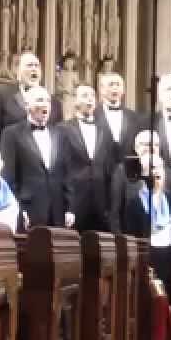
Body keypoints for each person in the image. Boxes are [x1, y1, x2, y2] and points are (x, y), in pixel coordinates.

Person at [0, 85, 73, 229]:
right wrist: (18, 209)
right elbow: (8, 177)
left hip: (58, 211)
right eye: (40, 100)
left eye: (48, 101)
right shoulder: (11, 134)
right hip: (28, 210)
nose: (45, 104)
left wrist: (70, 208)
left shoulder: (61, 134)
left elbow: (68, 174)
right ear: (27, 105)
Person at [122, 161, 171, 306]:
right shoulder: (135, 203)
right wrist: (140, 265)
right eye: (151, 171)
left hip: (169, 262)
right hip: (147, 261)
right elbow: (131, 238)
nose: (155, 177)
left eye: (158, 173)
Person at [57, 85, 115, 232]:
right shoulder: (62, 129)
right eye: (84, 95)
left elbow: (109, 167)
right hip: (75, 198)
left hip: (100, 200)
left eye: (92, 96)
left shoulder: (105, 131)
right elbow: (61, 167)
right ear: (74, 100)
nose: (89, 99)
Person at [0, 52, 64, 143]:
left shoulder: (54, 103)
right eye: (29, 65)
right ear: (17, 71)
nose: (34, 69)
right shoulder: (0, 95)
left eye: (37, 66)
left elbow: (60, 139)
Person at [94, 72, 142, 167]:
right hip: (100, 174)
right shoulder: (93, 116)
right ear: (101, 89)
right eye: (111, 84)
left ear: (123, 90)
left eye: (118, 85)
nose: (115, 88)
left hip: (127, 174)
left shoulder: (134, 117)